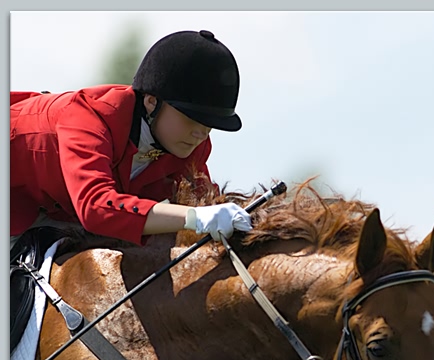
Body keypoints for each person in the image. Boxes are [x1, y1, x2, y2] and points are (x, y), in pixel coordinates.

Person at [10, 29, 252, 254]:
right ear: (151, 102)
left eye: (209, 125)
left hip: (56, 217)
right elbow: (96, 207)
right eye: (192, 119)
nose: (201, 134)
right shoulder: (89, 117)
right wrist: (194, 217)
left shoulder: (190, 146)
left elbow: (206, 205)